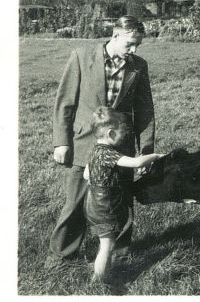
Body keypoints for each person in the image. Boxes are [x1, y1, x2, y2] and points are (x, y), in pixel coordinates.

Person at [45, 15, 155, 269]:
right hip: (83, 143)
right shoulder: (82, 57)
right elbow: (65, 102)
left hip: (121, 146)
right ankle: (62, 256)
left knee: (122, 202)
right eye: (130, 43)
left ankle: (119, 255)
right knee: (75, 203)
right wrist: (61, 142)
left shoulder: (138, 66)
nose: (134, 49)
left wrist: (146, 148)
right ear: (115, 35)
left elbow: (145, 109)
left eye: (138, 44)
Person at [83, 106, 163, 281]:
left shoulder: (94, 150)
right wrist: (156, 156)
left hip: (92, 203)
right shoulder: (107, 154)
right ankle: (99, 281)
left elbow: (86, 174)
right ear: (111, 134)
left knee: (104, 242)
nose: (124, 137)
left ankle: (103, 272)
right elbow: (136, 162)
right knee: (107, 246)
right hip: (106, 206)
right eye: (122, 133)